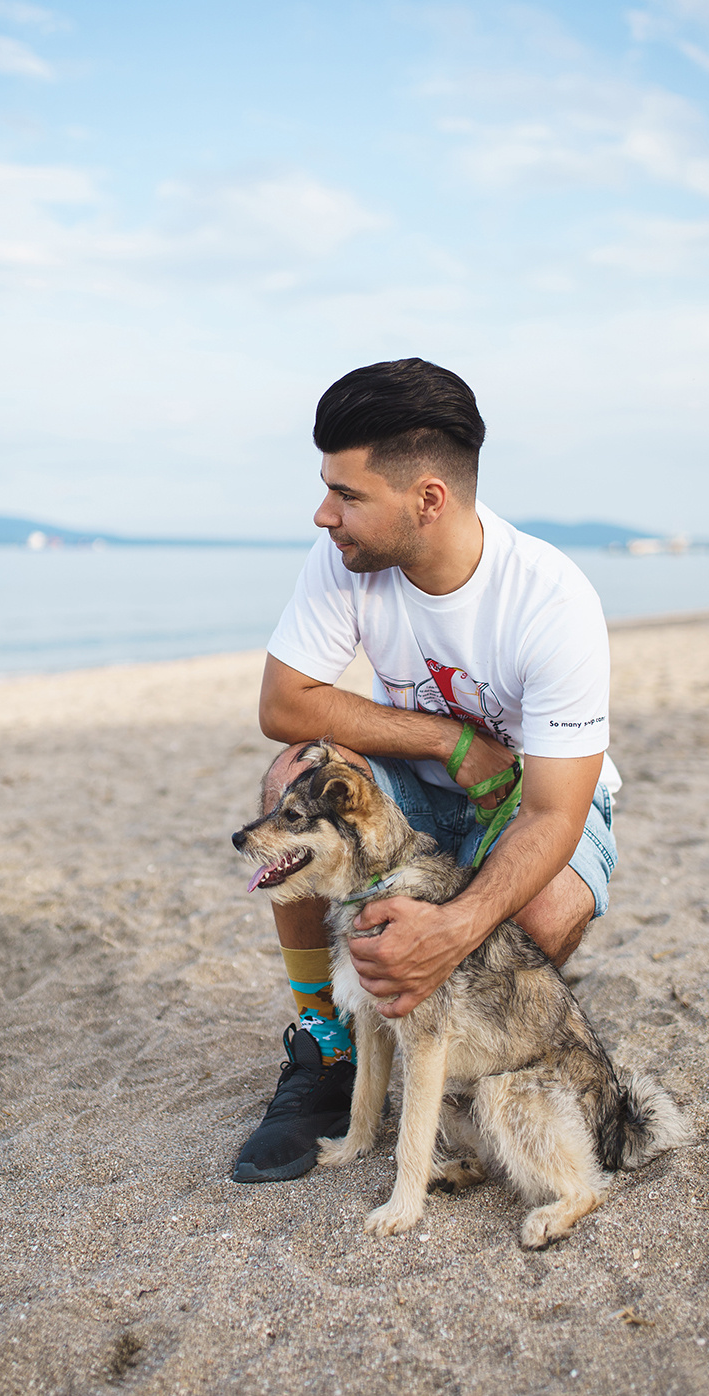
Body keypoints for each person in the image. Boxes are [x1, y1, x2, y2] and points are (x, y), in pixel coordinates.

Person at [232, 356, 619, 1183]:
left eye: (347, 495)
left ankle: (465, 1060)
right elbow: (284, 704)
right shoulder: (344, 557)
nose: (324, 515)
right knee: (292, 776)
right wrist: (447, 740)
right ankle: (327, 1046)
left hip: (527, 802)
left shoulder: (552, 602)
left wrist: (453, 926)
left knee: (542, 910)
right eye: (327, 490)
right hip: (411, 792)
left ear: (428, 500)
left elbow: (554, 814)